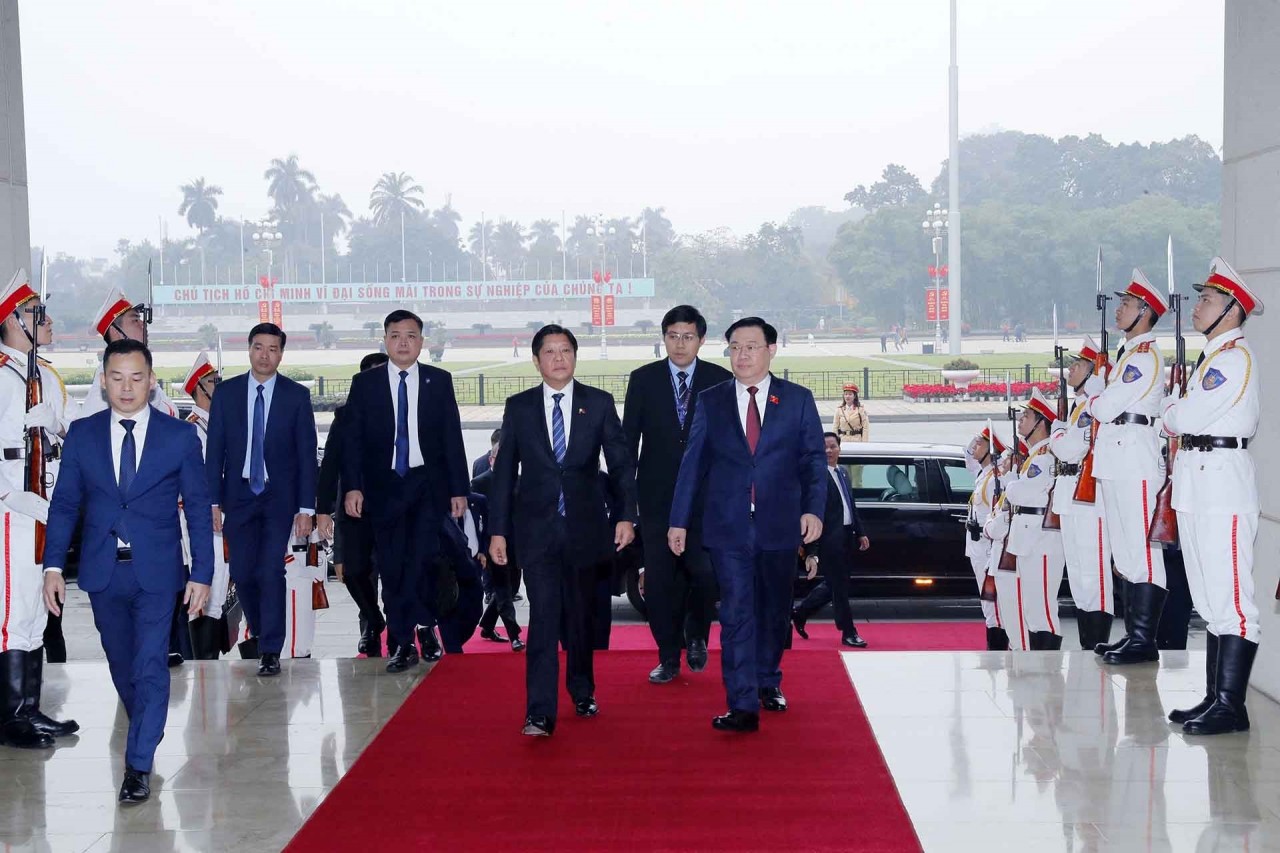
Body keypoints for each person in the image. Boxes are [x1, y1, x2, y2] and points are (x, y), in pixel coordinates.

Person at [43, 339, 213, 804]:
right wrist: (53, 565)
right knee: (123, 667)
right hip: (102, 574)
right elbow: (65, 505)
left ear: (151, 381)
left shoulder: (177, 437)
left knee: (151, 664)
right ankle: (146, 726)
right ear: (103, 380)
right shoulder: (83, 434)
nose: (126, 387)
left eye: (137, 378)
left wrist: (203, 574)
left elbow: (198, 509)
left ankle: (137, 764)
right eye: (117, 378)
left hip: (159, 572)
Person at [669, 316, 825, 733]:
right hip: (728, 527)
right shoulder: (712, 400)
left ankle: (767, 680)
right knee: (737, 612)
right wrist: (678, 520)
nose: (742, 355)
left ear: (771, 350)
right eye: (735, 347)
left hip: (779, 525)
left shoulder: (797, 400)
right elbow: (693, 464)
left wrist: (813, 510)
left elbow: (813, 461)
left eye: (751, 347)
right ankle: (741, 704)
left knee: (774, 612)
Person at [488, 324, 637, 737]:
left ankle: (582, 688)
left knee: (580, 618)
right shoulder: (519, 407)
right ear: (536, 361)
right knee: (545, 617)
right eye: (549, 352)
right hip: (536, 531)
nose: (558, 358)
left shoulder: (599, 403)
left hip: (586, 530)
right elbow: (503, 475)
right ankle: (539, 710)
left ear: (575, 356)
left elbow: (622, 464)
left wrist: (626, 516)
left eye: (565, 350)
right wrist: (497, 530)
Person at [1160, 257, 1262, 735]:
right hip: (1198, 486)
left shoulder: (1233, 359)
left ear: (1232, 310)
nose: (1197, 306)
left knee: (1232, 600)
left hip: (1222, 488)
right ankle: (1216, 698)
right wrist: (1177, 409)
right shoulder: (1211, 361)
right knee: (1207, 596)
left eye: (1207, 300)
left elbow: (1183, 419)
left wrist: (1173, 408)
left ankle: (1231, 705)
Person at [342, 310, 468, 673]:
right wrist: (353, 487)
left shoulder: (438, 381)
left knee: (424, 559)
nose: (402, 342)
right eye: (395, 335)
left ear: (421, 342)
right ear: (385, 340)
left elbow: (451, 437)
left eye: (410, 336)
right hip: (384, 487)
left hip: (427, 484)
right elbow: (353, 442)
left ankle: (424, 626)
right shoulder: (365, 384)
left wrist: (458, 488)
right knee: (393, 565)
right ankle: (401, 641)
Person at [622, 304, 732, 684]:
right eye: (673, 336)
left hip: (706, 501)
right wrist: (627, 505)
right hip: (656, 501)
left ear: (701, 339)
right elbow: (627, 446)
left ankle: (697, 633)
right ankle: (668, 656)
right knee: (660, 582)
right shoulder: (643, 379)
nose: (680, 344)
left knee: (704, 575)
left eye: (688, 336)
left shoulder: (720, 379)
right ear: (664, 338)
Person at [206, 323, 317, 677]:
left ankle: (270, 647)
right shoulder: (227, 393)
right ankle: (260, 632)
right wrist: (212, 501)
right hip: (237, 494)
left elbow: (305, 455)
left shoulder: (295, 396)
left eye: (272, 349)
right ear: (249, 350)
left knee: (270, 569)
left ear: (281, 354)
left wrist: (306, 508)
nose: (265, 355)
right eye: (258, 347)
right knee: (243, 572)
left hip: (277, 498)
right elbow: (215, 451)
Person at [0, 271, 77, 750]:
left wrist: (55, 423)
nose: (42, 321)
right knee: (12, 608)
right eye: (34, 314)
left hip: (44, 501)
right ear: (11, 319)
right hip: (10, 503)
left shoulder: (46, 375)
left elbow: (68, 429)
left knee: (34, 609)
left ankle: (29, 707)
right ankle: (9, 716)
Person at [1083, 270, 1168, 665]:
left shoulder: (1145, 357)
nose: (1119, 310)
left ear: (1145, 313)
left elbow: (1103, 408)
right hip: (1117, 458)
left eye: (1127, 305)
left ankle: (1143, 638)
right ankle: (1133, 634)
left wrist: (1098, 390)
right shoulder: (1127, 355)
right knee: (1126, 552)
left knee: (1142, 552)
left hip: (1134, 459)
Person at [317, 351, 389, 658]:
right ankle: (371, 624)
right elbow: (330, 465)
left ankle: (401, 632)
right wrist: (322, 509)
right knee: (356, 574)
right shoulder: (344, 416)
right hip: (354, 511)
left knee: (398, 576)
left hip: (393, 510)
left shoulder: (404, 409)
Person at [1047, 336, 1114, 651]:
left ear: (1093, 371)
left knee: (1094, 573)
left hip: (1090, 500)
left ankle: (1098, 641)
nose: (1069, 371)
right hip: (1071, 495)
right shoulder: (1078, 408)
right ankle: (1089, 642)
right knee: (1077, 573)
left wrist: (1057, 432)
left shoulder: (1091, 408)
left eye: (1076, 365)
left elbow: (1069, 449)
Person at [998, 388, 1067, 650]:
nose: (1020, 421)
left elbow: (1020, 493)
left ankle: (1049, 670)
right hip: (1029, 537)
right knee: (1032, 607)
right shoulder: (1033, 458)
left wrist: (1012, 483)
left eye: (1026, 416)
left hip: (1041, 539)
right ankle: (1040, 667)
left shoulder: (1045, 456)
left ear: (1041, 425)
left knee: (1042, 609)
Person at [793, 432, 870, 647]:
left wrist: (860, 532)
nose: (828, 451)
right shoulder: (816, 478)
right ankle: (848, 631)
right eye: (824, 447)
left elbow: (850, 506)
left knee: (837, 583)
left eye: (832, 446)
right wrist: (812, 550)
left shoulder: (843, 473)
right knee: (840, 588)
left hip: (847, 537)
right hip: (828, 540)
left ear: (839, 448)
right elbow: (813, 513)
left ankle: (800, 612)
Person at [178, 352, 232, 660]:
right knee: (204, 588)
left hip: (222, 519)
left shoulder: (215, 425)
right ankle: (201, 660)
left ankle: (210, 658)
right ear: (200, 386)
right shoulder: (193, 428)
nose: (219, 386)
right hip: (201, 521)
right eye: (214, 381)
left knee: (218, 592)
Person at [77, 287, 177, 419]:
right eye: (135, 320)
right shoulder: (109, 374)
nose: (143, 324)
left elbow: (172, 412)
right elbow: (89, 427)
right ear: (116, 332)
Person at [472, 438, 524, 651]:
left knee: (511, 589)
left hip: (516, 544)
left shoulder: (519, 481)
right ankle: (514, 635)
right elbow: (475, 520)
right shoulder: (479, 483)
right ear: (491, 459)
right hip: (491, 545)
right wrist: (480, 550)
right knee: (503, 590)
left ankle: (486, 625)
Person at [963, 425, 1010, 650]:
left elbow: (997, 514)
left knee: (992, 601)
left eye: (981, 443)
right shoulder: (984, 473)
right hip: (976, 546)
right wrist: (977, 440)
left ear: (991, 450)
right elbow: (968, 454)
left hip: (986, 545)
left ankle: (998, 648)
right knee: (986, 601)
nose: (975, 446)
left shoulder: (995, 479)